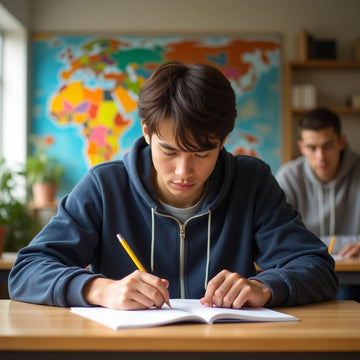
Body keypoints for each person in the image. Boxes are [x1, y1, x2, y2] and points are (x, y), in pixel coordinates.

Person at [8, 62, 337, 310]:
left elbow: (318, 268)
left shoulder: (251, 182)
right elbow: (26, 271)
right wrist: (99, 289)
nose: (184, 171)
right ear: (147, 132)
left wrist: (265, 287)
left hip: (224, 348)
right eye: (169, 150)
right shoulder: (105, 185)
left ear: (223, 141)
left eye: (202, 153)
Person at [276, 107, 360, 301]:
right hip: (305, 272)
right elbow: (283, 238)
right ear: (302, 147)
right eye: (312, 148)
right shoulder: (288, 177)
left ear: (341, 142)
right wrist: (344, 243)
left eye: (327, 146)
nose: (320, 156)